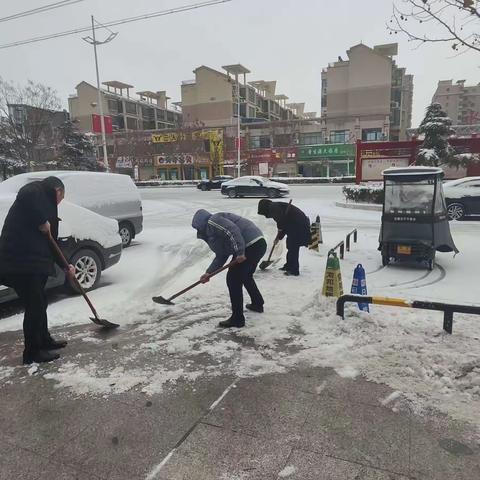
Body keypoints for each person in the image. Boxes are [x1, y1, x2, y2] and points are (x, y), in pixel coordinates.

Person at [0, 176, 75, 365]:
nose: (60, 202)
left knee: (40, 303)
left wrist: (67, 266)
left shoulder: (47, 207)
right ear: (57, 191)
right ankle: (32, 353)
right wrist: (42, 220)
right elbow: (25, 195)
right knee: (35, 306)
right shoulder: (36, 190)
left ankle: (44, 341)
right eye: (61, 197)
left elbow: (52, 244)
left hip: (31, 264)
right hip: (18, 263)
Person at [192, 209, 267, 328]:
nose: (198, 231)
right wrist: (208, 273)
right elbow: (221, 255)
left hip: (250, 245)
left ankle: (237, 319)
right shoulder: (213, 234)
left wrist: (240, 252)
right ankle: (257, 303)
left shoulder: (213, 221)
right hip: (257, 244)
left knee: (233, 279)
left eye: (198, 228)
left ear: (201, 224)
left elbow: (233, 231)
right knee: (245, 276)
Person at [257, 199, 310, 276]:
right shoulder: (274, 207)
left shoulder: (274, 208)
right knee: (290, 246)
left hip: (298, 226)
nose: (265, 216)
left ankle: (294, 270)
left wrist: (278, 237)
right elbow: (283, 223)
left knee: (293, 247)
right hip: (293, 225)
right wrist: (279, 237)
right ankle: (289, 265)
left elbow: (281, 223)